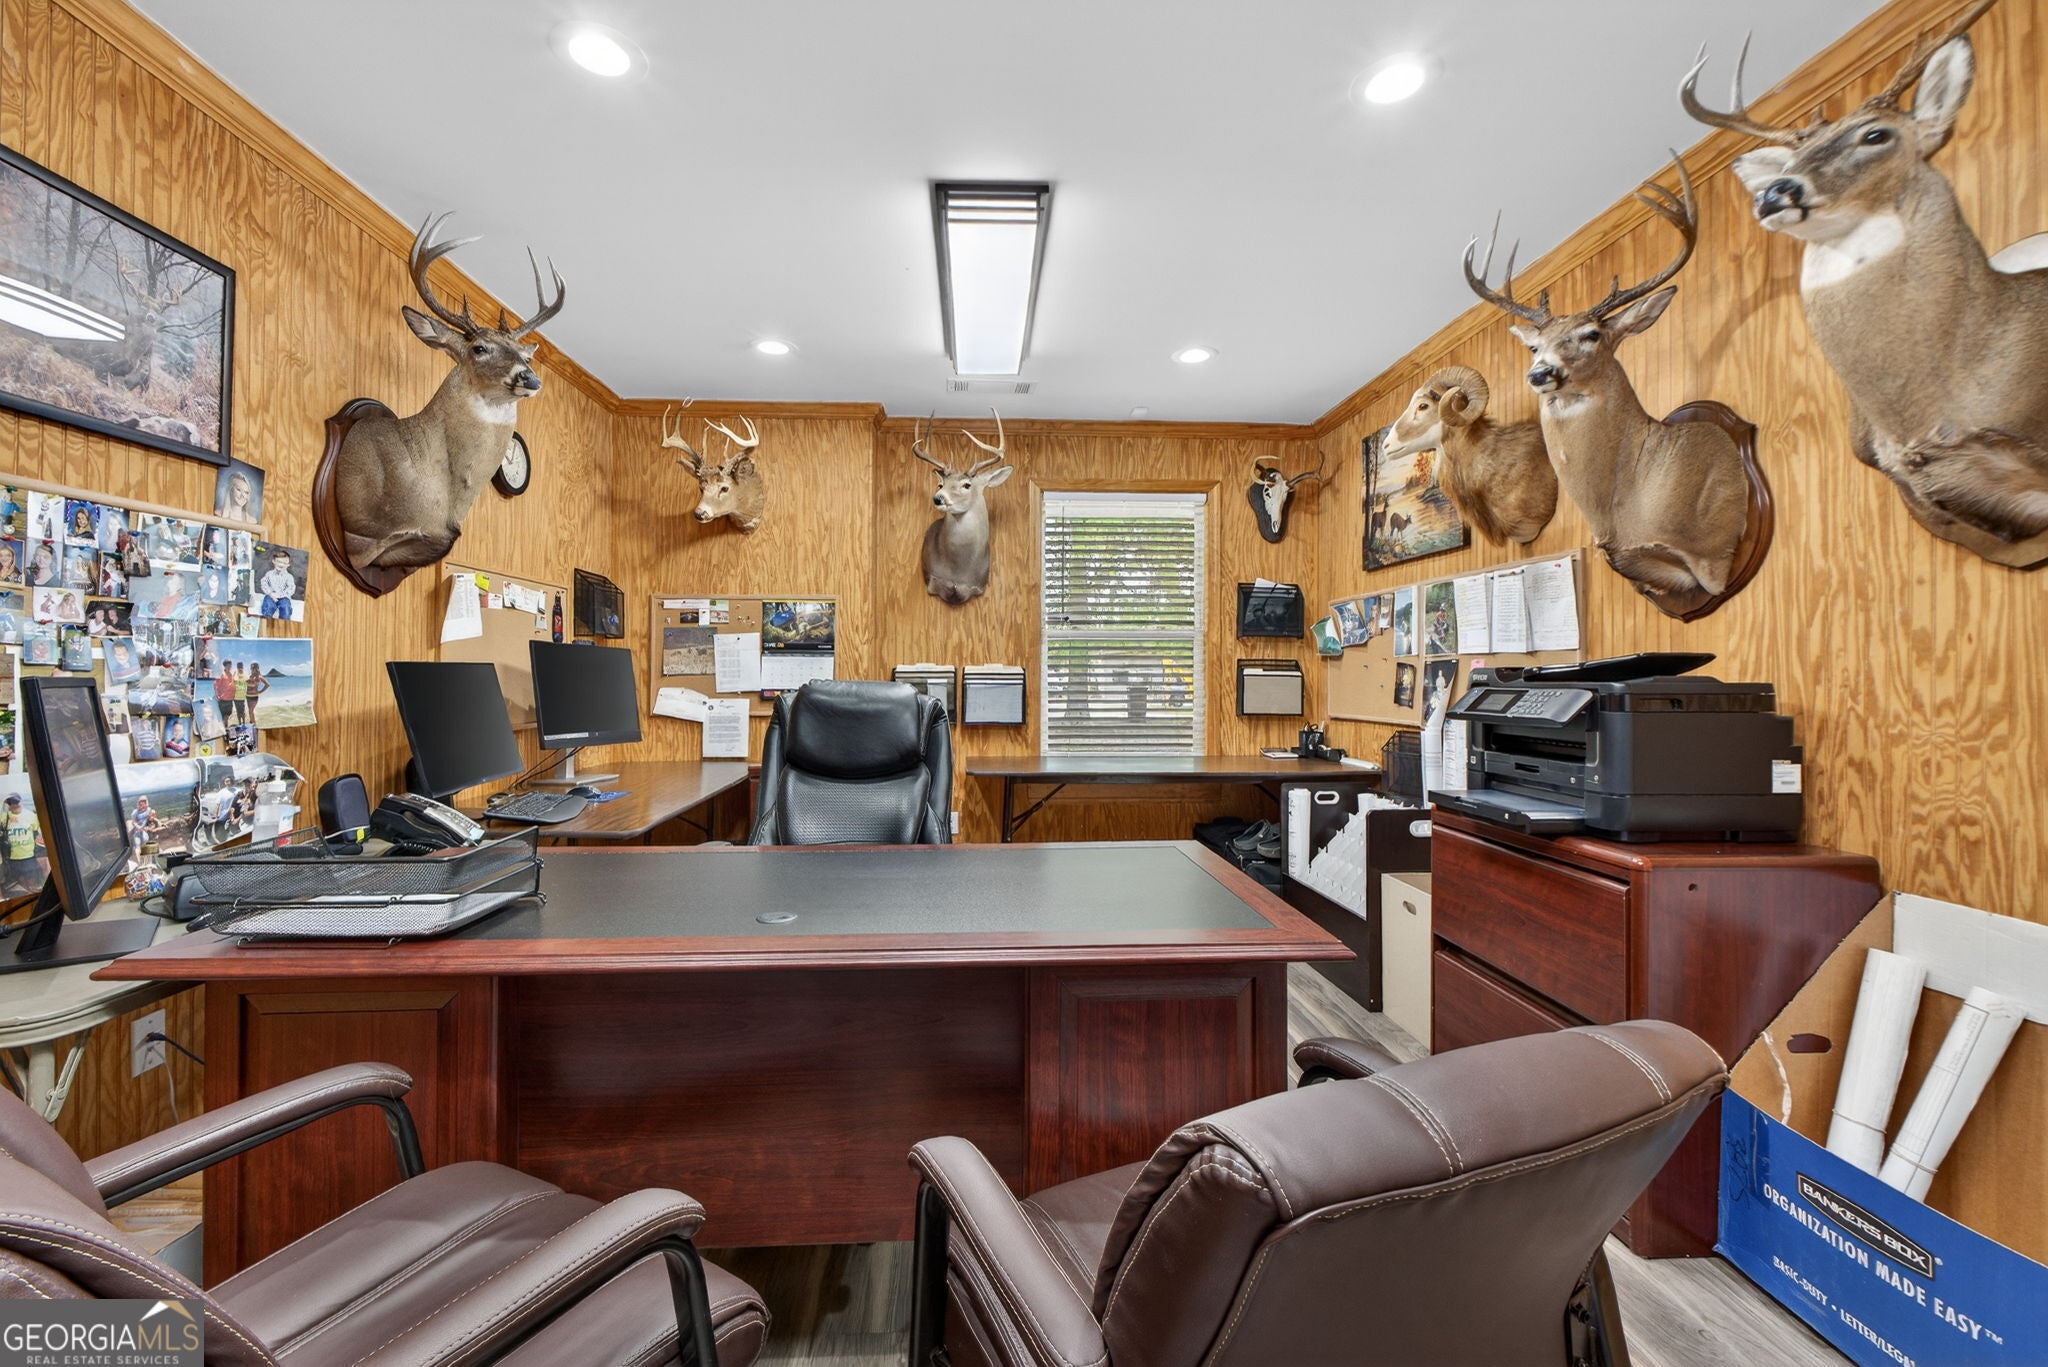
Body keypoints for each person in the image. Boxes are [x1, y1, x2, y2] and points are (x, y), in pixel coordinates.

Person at [3, 794, 45, 894]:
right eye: (11, 803)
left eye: (16, 802)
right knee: (20, 877)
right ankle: (27, 892)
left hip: (28, 855)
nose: (15, 805)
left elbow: (38, 832)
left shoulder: (31, 816)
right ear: (8, 805)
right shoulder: (4, 817)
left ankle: (33, 892)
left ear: (20, 802)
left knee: (31, 878)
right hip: (12, 856)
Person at [257, 549, 296, 619]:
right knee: (268, 606)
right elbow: (264, 583)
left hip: (284, 597)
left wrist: (280, 595)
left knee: (286, 608)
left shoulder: (289, 577)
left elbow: (291, 588)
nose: (281, 565)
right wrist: (270, 593)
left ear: (288, 565)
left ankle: (284, 621)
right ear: (273, 561)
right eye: (279, 562)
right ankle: (265, 619)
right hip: (271, 595)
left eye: (284, 563)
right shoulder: (269, 574)